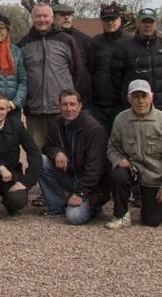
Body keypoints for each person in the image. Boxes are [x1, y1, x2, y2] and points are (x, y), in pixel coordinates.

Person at [105, 79, 162, 229]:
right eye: (135, 96)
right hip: (131, 170)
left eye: (144, 96)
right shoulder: (121, 119)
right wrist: (118, 159)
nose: (140, 101)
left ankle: (153, 205)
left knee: (152, 221)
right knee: (118, 175)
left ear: (151, 96)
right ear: (129, 99)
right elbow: (112, 147)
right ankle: (121, 215)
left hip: (154, 176)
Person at [17, 2, 83, 148]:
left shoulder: (66, 40)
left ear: (52, 17)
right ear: (32, 18)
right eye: (38, 16)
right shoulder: (24, 44)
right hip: (35, 110)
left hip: (61, 109)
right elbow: (20, 76)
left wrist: (69, 96)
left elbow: (77, 71)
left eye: (45, 16)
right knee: (36, 152)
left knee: (65, 150)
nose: (42, 20)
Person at [39, 89, 109, 225]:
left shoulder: (93, 129)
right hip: (71, 177)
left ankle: (94, 205)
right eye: (64, 105)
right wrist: (57, 153)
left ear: (80, 106)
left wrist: (81, 193)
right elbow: (47, 147)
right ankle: (58, 205)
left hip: (93, 186)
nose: (68, 108)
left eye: (72, 104)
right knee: (40, 161)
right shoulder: (56, 123)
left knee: (74, 217)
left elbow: (96, 168)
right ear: (59, 106)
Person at [110, 7, 162, 116]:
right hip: (133, 109)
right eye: (144, 21)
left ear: (156, 24)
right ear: (137, 23)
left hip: (161, 109)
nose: (147, 25)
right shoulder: (123, 48)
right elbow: (116, 80)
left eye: (151, 21)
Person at [86, 2, 132, 133]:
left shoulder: (130, 41)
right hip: (98, 104)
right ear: (101, 21)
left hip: (122, 104)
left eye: (113, 19)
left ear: (120, 20)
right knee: (100, 139)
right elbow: (90, 70)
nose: (110, 23)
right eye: (106, 20)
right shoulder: (94, 42)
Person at [53, 2, 92, 103]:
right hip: (55, 93)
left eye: (69, 15)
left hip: (80, 93)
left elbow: (92, 66)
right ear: (53, 17)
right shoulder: (47, 39)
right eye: (62, 15)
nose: (66, 17)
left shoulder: (84, 39)